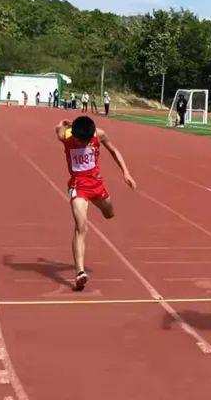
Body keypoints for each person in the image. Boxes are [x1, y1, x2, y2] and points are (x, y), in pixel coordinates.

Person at [56, 115, 136, 291]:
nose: (81, 144)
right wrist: (60, 124)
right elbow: (58, 131)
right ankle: (80, 273)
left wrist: (126, 173)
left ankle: (102, 207)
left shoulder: (99, 135)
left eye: (84, 141)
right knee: (81, 227)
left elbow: (114, 151)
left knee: (109, 213)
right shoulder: (67, 137)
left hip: (97, 186)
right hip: (78, 187)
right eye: (78, 140)